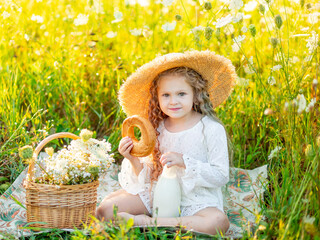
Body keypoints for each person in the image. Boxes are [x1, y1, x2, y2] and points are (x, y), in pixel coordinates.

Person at [96, 50, 237, 235]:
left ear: (195, 95)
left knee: (218, 222)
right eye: (166, 95)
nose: (173, 101)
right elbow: (147, 176)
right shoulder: (157, 127)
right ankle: (167, 223)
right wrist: (131, 158)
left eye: (181, 94)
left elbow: (220, 175)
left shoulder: (210, 128)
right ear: (157, 97)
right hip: (156, 194)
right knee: (104, 210)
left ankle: (151, 222)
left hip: (194, 199)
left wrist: (185, 162)